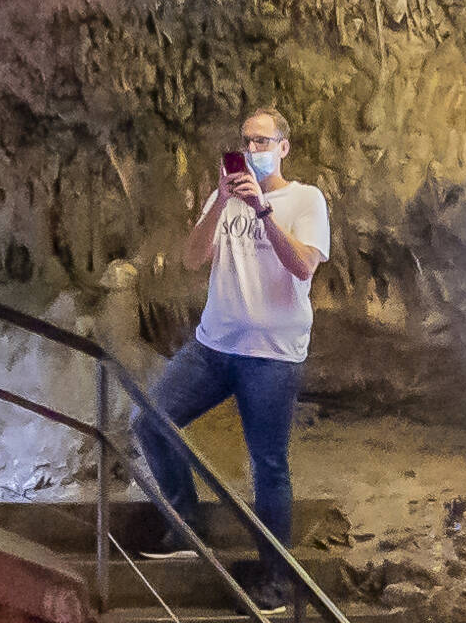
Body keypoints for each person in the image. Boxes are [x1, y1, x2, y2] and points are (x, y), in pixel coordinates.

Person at [138, 107, 328, 560]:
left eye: (263, 141)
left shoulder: (306, 200)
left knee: (268, 467)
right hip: (214, 346)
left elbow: (302, 265)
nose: (253, 150)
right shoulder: (222, 197)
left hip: (272, 356)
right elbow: (191, 258)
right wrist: (222, 202)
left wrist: (263, 211)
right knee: (150, 421)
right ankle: (186, 526)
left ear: (283, 147)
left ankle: (276, 578)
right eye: (247, 141)